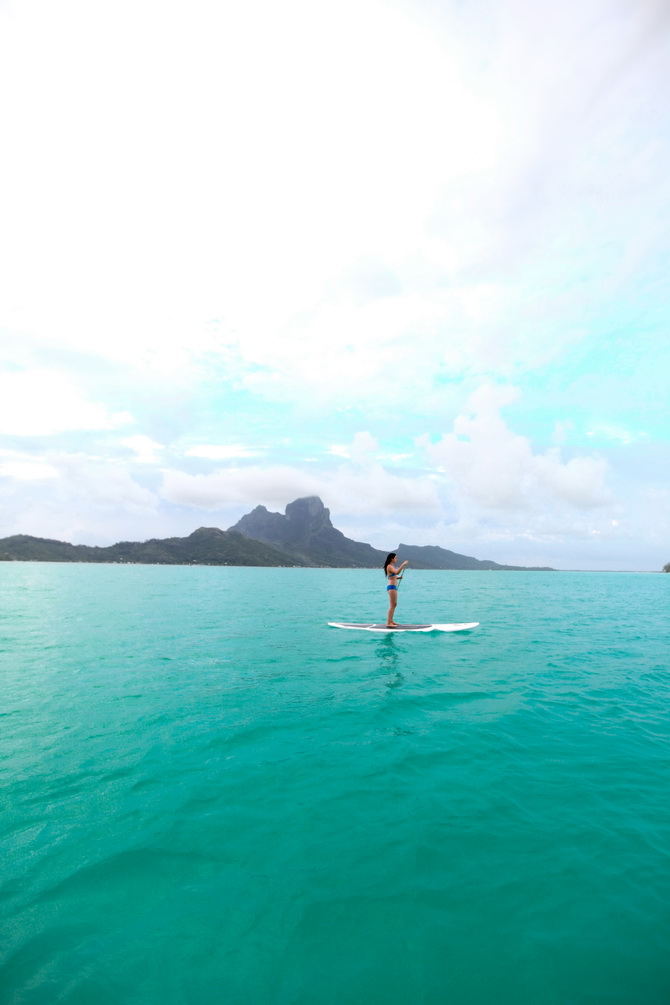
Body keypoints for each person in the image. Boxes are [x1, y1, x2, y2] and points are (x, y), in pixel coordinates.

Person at [383, 552, 409, 627]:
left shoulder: (391, 566)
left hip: (393, 587)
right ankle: (388, 623)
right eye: (395, 558)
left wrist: (398, 578)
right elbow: (397, 572)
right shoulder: (389, 566)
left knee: (394, 604)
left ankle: (391, 621)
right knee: (392, 605)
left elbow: (390, 577)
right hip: (391, 587)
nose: (396, 559)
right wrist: (403, 564)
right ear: (392, 559)